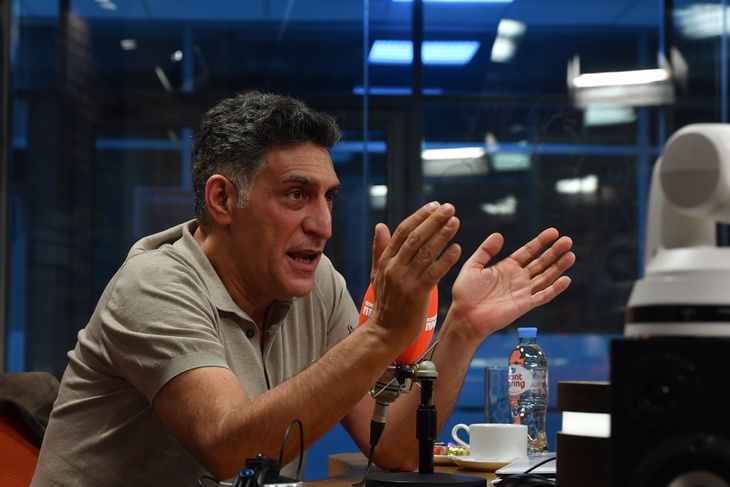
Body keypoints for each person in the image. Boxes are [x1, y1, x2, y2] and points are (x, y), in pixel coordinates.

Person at [31, 92, 575, 486]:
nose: (323, 225)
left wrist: (461, 329)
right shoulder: (154, 285)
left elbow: (395, 449)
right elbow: (230, 451)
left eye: (329, 198)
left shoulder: (317, 286)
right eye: (296, 195)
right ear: (222, 200)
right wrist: (384, 331)